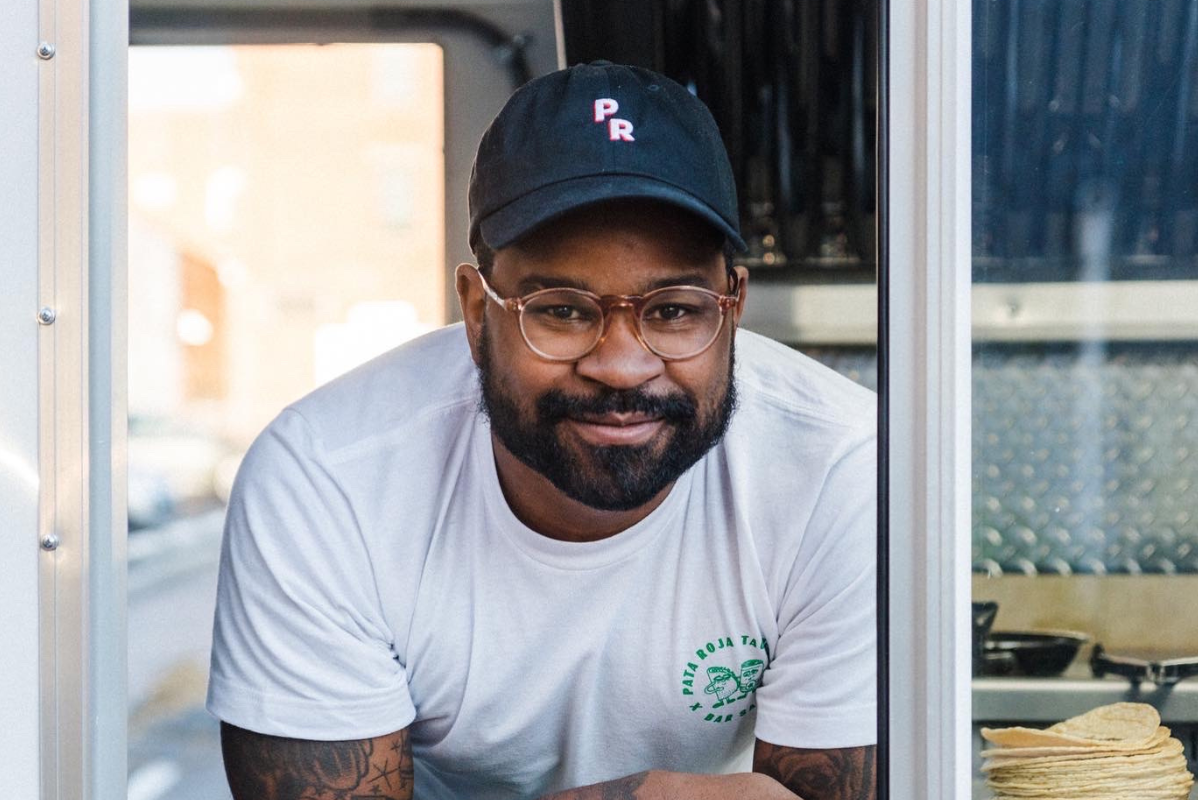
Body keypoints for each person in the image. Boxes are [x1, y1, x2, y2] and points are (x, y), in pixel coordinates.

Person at [208, 61, 877, 800]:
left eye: (675, 309)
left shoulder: (838, 469)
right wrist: (642, 797)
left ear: (733, 307)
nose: (622, 367)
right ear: (475, 309)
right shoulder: (327, 481)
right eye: (560, 309)